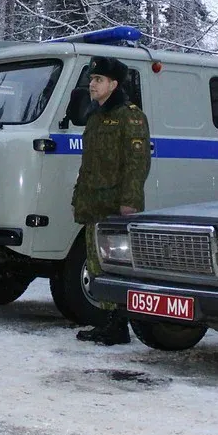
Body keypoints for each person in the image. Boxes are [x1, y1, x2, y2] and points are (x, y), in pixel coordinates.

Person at [70, 56, 152, 345]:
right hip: (95, 204)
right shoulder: (95, 116)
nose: (92, 85)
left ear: (113, 84)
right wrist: (80, 195)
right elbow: (89, 164)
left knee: (116, 264)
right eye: (92, 80)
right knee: (96, 264)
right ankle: (109, 323)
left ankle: (120, 323)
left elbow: (137, 162)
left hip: (116, 206)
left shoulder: (130, 116)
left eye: (98, 80)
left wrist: (129, 201)